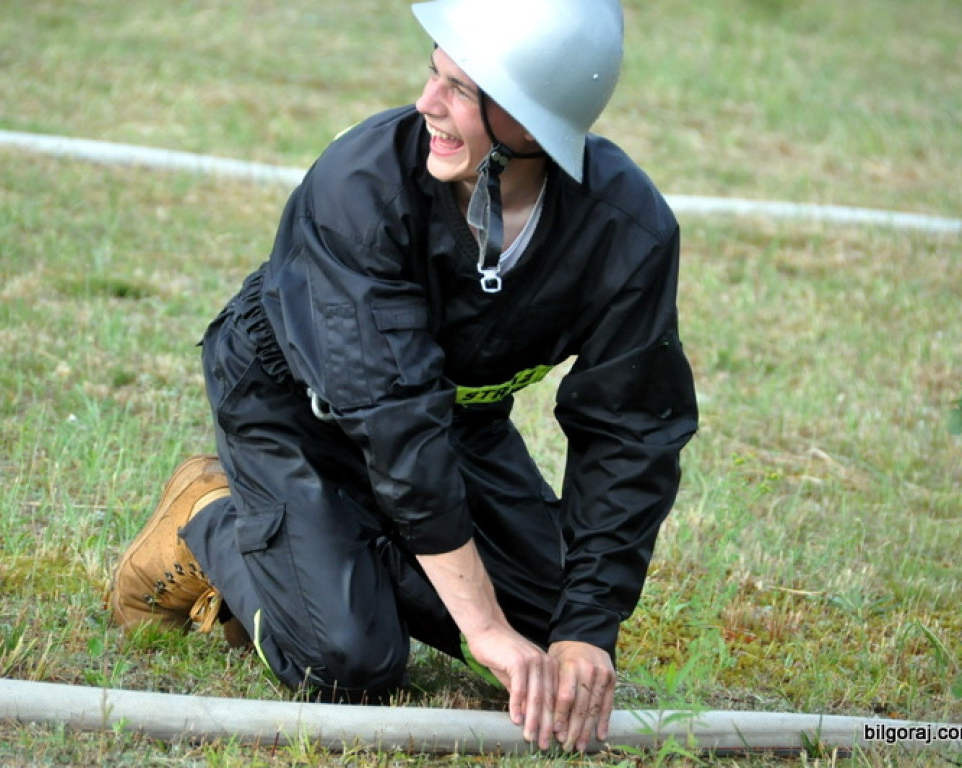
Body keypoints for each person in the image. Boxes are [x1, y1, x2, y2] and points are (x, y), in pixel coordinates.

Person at [108, 0, 697, 753]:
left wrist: (587, 631)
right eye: (433, 73)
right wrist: (480, 626)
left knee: (552, 638)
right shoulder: (361, 184)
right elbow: (392, 420)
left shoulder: (627, 230)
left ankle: (331, 549)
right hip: (293, 407)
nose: (427, 104)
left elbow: (632, 431)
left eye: (459, 89)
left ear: (527, 119)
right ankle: (211, 517)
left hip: (449, 424)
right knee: (347, 659)